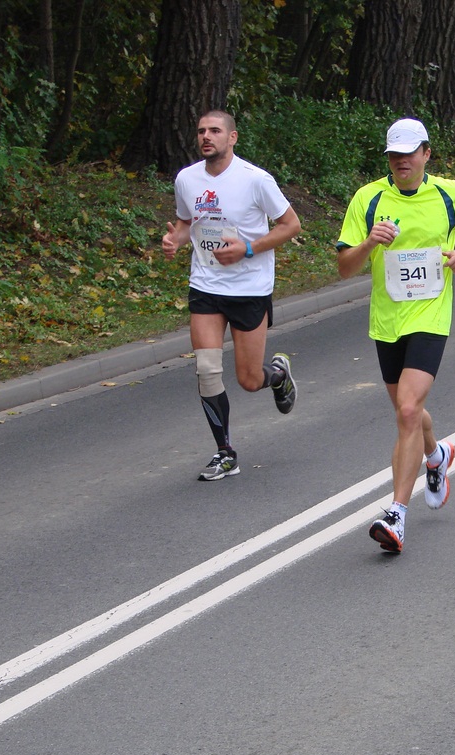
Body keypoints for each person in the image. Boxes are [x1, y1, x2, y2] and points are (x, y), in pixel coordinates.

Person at [336, 118, 455, 554]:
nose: (401, 161)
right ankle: (438, 455)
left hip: (431, 315)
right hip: (387, 322)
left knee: (408, 408)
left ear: (427, 153)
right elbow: (344, 267)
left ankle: (396, 515)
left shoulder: (450, 193)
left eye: (409, 153)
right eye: (394, 154)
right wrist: (370, 243)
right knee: (409, 410)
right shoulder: (368, 198)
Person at [162, 110, 301, 481]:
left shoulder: (256, 180)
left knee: (249, 380)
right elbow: (186, 222)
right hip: (205, 285)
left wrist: (249, 249)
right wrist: (174, 239)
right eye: (201, 131)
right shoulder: (186, 179)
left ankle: (278, 374)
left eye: (215, 131)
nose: (206, 136)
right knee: (207, 370)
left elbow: (291, 225)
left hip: (249, 288)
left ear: (232, 137)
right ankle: (225, 452)